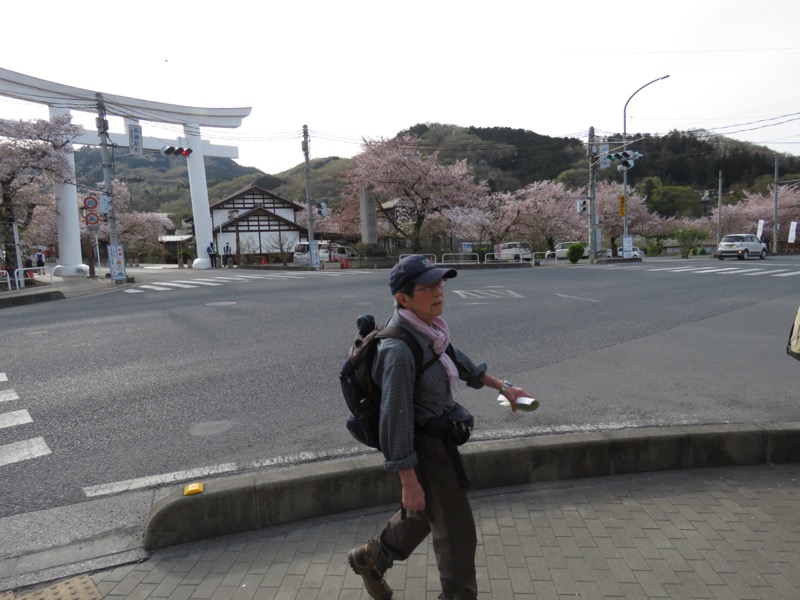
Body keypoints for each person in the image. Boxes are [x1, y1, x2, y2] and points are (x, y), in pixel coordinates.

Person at [347, 254, 533, 600]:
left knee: (423, 514)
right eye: (428, 286)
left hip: (437, 439)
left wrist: (504, 387)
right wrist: (407, 478)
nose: (438, 291)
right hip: (426, 447)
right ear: (403, 299)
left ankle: (372, 557)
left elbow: (457, 361)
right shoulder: (400, 350)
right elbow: (395, 418)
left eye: (440, 283)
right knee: (457, 533)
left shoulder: (429, 331)